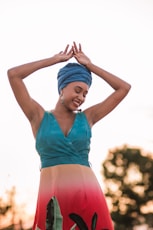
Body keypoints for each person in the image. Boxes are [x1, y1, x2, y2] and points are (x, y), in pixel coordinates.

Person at [7, 41, 131, 230]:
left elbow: (124, 88)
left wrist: (90, 66)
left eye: (86, 94)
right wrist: (54, 60)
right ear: (62, 88)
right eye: (78, 90)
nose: (81, 97)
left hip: (89, 196)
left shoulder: (88, 117)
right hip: (52, 200)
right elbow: (14, 75)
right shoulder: (38, 116)